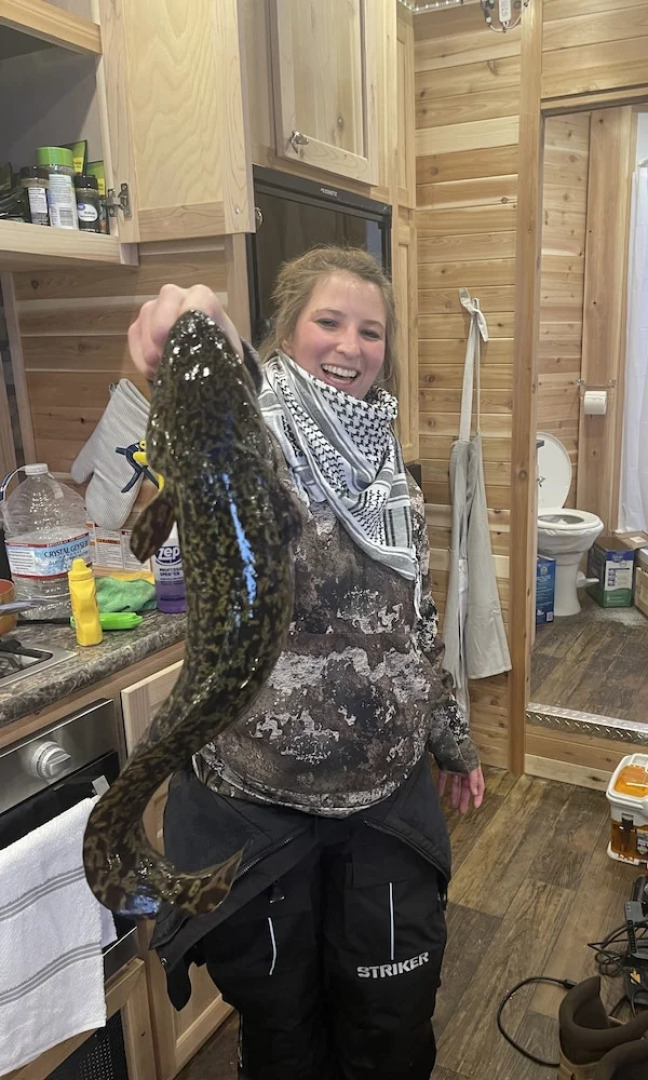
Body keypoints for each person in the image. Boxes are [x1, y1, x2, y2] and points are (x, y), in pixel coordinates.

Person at [126, 245, 486, 1080]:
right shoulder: (253, 423)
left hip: (384, 798)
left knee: (390, 1027)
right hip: (258, 806)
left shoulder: (390, 463)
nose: (351, 346)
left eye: (371, 330)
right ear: (282, 334)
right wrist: (188, 323)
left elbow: (415, 619)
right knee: (283, 1034)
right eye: (329, 321)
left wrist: (453, 741)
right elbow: (189, 394)